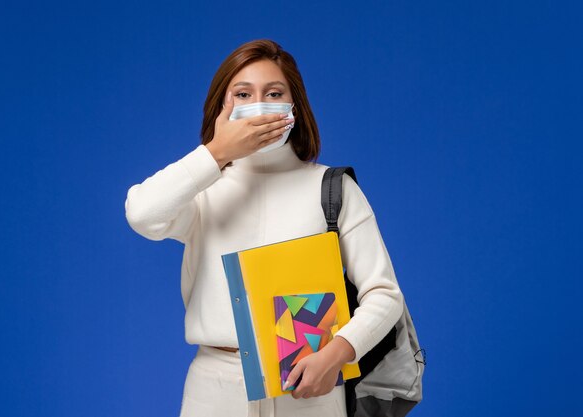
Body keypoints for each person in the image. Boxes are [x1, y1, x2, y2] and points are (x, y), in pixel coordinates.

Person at [124, 39, 404, 417]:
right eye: (243, 93)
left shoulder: (332, 189)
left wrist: (338, 354)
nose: (259, 103)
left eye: (274, 93)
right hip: (214, 390)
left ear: (294, 106)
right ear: (222, 107)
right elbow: (142, 214)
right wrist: (217, 152)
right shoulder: (203, 191)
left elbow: (384, 294)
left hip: (311, 390)